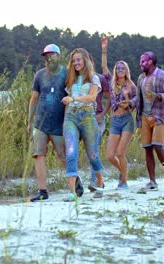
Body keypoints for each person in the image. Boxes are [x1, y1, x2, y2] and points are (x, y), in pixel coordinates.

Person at [61, 48, 104, 201]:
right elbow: (67, 99)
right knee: (71, 152)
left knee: (93, 154)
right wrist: (66, 118)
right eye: (73, 61)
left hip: (88, 117)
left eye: (78, 60)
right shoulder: (71, 79)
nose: (76, 63)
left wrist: (73, 99)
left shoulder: (94, 78)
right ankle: (72, 192)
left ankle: (100, 183)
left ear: (85, 60)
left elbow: (92, 97)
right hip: (71, 117)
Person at [28, 44, 68, 202]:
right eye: (46, 56)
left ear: (58, 56)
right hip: (40, 123)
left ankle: (75, 181)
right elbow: (34, 99)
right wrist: (29, 121)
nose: (48, 58)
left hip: (59, 123)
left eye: (51, 55)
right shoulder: (39, 75)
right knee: (38, 155)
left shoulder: (66, 73)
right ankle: (43, 191)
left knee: (63, 155)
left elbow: (74, 94)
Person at [136, 51, 164, 191]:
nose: (141, 64)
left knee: (158, 145)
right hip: (145, 117)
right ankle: (152, 181)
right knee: (147, 148)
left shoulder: (163, 76)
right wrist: (130, 103)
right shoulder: (141, 78)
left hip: (160, 116)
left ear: (150, 61)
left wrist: (158, 96)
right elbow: (138, 97)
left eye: (143, 61)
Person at [106, 60, 138, 190]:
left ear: (126, 70)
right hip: (114, 120)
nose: (120, 70)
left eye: (122, 68)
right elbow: (104, 67)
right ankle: (123, 172)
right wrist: (104, 51)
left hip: (127, 119)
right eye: (118, 68)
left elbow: (137, 99)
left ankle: (123, 182)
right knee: (110, 156)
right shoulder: (112, 83)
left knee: (120, 153)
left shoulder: (131, 85)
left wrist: (129, 102)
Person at [88, 35, 111, 197]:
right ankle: (90, 182)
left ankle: (97, 183)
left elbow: (111, 100)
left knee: (93, 149)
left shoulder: (100, 79)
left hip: (97, 117)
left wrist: (102, 115)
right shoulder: (78, 80)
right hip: (81, 118)